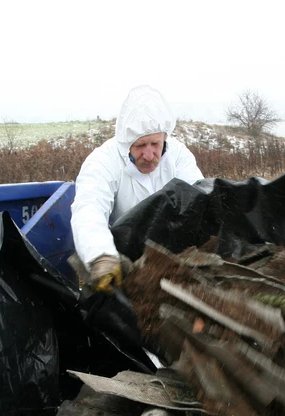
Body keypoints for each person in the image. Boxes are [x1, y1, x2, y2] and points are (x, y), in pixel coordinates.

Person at [71, 85, 204, 292]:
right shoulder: (103, 162)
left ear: (164, 138)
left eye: (155, 144)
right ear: (126, 144)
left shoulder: (178, 156)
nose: (149, 155)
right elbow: (89, 208)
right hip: (121, 259)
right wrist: (101, 255)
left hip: (172, 258)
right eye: (141, 146)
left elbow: (199, 198)